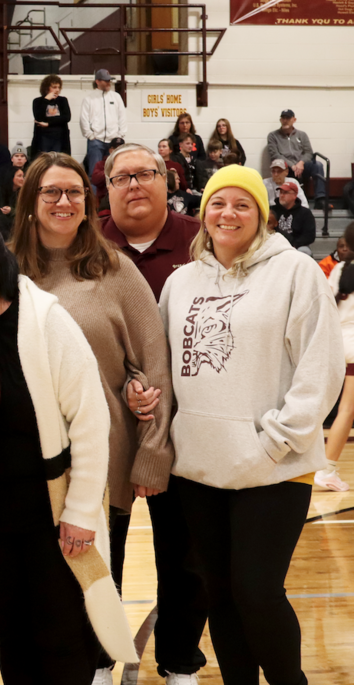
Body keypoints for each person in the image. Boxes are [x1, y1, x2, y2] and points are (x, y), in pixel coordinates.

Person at [158, 164, 343, 685]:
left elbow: (321, 366)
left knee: (257, 590)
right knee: (219, 590)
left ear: (262, 214)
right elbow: (165, 364)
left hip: (274, 466)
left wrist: (278, 440)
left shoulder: (296, 272)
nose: (228, 213)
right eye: (218, 203)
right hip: (200, 465)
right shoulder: (181, 282)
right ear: (203, 213)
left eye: (242, 204)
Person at [0, 208, 138, 682]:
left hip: (52, 510)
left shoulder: (44, 318)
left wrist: (82, 512)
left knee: (63, 635)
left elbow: (90, 421)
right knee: (11, 633)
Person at [10, 152, 174, 685]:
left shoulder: (113, 268)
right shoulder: (6, 268)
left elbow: (152, 364)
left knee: (99, 579)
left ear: (88, 202)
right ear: (30, 203)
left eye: (75, 192)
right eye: (51, 192)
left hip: (103, 462)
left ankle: (102, 671)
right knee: (41, 591)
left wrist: (152, 452)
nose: (64, 201)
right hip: (26, 464)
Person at [100, 142, 207, 684]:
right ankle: (97, 658)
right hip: (106, 428)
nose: (134, 184)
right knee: (101, 551)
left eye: (145, 174)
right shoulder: (86, 241)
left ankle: (181, 663)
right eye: (122, 177)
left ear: (168, 180)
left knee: (184, 555)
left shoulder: (201, 240)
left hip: (185, 429)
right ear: (108, 187)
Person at [320, 221, 354, 492]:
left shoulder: (340, 268)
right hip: (352, 344)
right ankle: (327, 469)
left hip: (338, 342)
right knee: (347, 409)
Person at [267, 109, 326, 205]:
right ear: (281, 120)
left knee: (318, 165)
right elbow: (275, 155)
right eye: (283, 118)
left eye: (288, 118)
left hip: (301, 165)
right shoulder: (273, 135)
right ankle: (281, 201)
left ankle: (320, 199)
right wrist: (291, 165)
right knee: (279, 168)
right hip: (285, 166)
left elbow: (308, 152)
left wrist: (301, 163)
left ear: (294, 120)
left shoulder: (302, 135)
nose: (285, 120)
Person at [79, 69, 127, 179]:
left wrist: (120, 135)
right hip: (96, 142)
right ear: (98, 81)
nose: (108, 83)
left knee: (116, 172)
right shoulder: (89, 99)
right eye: (105, 81)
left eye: (109, 80)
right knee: (94, 174)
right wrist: (90, 136)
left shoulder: (116, 97)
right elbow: (83, 119)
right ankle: (95, 196)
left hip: (114, 141)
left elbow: (122, 117)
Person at [271, 179, 316, 256]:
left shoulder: (305, 213)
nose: (281, 195)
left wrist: (294, 244)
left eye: (285, 193)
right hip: (273, 244)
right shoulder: (271, 211)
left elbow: (309, 235)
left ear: (295, 195)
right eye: (281, 192)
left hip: (297, 246)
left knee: (304, 251)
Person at [31, 75, 71, 155]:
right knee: (45, 160)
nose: (57, 90)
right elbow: (39, 117)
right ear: (46, 88)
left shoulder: (62, 100)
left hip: (59, 136)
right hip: (43, 137)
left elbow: (66, 117)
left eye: (59, 87)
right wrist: (46, 100)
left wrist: (48, 123)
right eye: (54, 87)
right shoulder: (38, 101)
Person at [0, 166, 24, 237]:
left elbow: (25, 212)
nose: (22, 179)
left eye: (23, 176)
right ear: (11, 177)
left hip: (17, 225)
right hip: (0, 226)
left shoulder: (23, 193)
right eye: (19, 176)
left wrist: (11, 210)